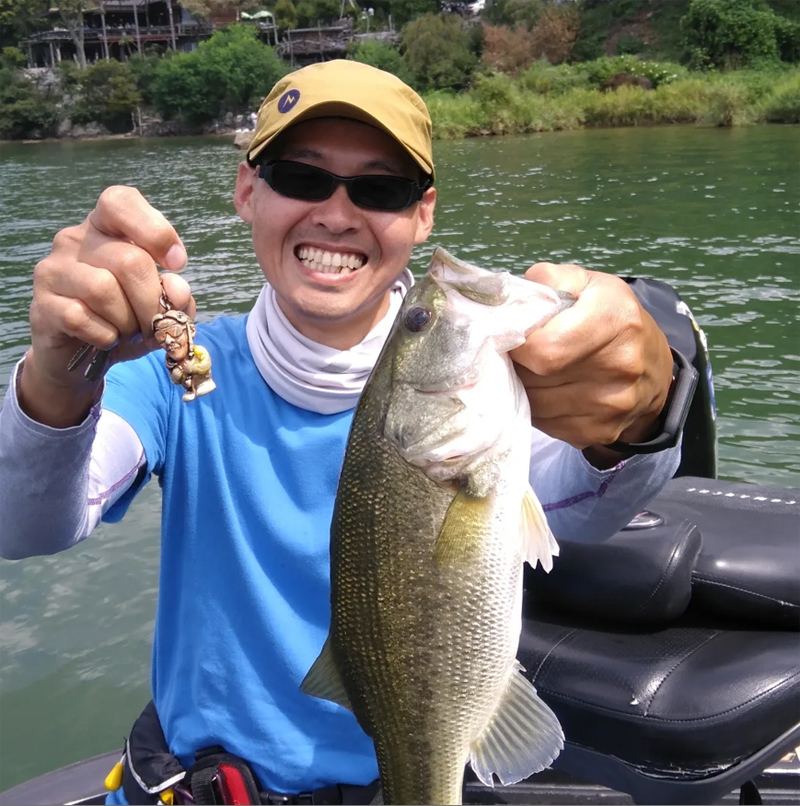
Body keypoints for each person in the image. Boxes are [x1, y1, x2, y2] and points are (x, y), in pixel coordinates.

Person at [0, 60, 681, 804]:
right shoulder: (173, 373)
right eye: (301, 177)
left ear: (422, 214)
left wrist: (645, 412)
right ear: (247, 191)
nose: (336, 213)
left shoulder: (496, 391)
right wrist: (58, 377)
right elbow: (21, 522)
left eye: (380, 189)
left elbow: (590, 503)